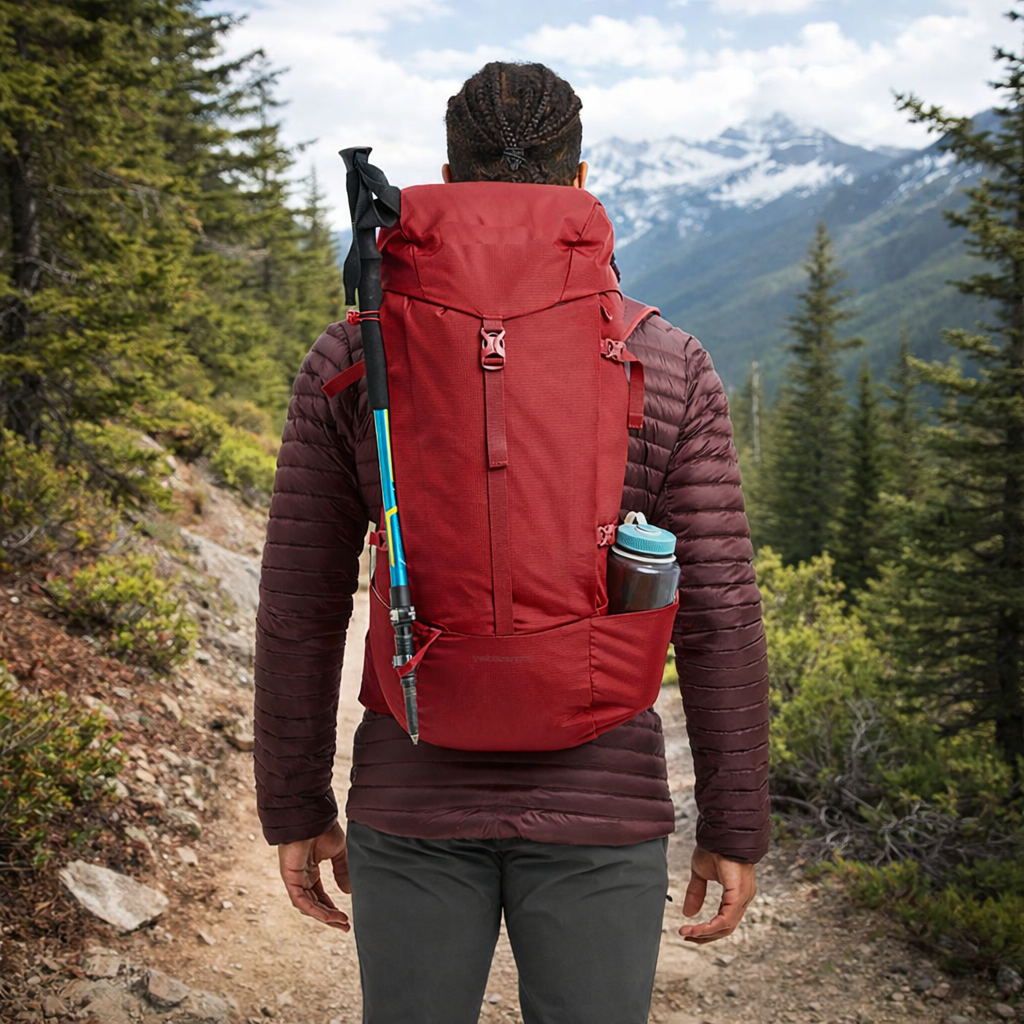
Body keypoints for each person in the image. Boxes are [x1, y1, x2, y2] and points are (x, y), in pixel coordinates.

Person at [253, 61, 770, 1024]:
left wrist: (294, 804)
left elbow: (301, 605)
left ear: (449, 176)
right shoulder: (666, 360)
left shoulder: (355, 352)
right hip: (602, 803)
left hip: (410, 787)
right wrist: (736, 822)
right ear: (580, 183)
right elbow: (721, 610)